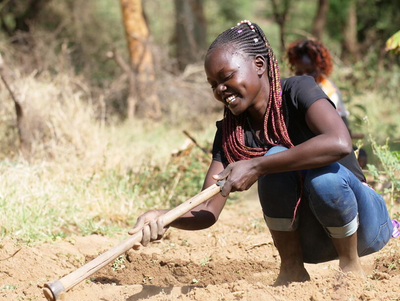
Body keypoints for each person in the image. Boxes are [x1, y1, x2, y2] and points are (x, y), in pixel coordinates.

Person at [129, 20, 395, 286]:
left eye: (226, 77)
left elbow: (339, 142)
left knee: (312, 174)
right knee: (274, 158)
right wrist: (165, 217)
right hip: (311, 243)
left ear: (259, 65)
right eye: (213, 85)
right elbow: (208, 208)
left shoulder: (298, 91)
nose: (220, 90)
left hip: (363, 229)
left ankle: (350, 268)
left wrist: (258, 165)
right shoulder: (231, 133)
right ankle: (291, 268)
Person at [286, 39, 368, 168]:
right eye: (299, 72)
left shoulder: (329, 91)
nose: (304, 76)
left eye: (310, 71)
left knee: (359, 155)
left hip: (325, 138)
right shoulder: (292, 87)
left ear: (320, 68)